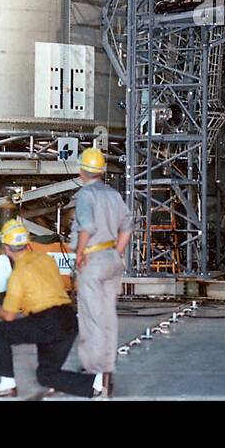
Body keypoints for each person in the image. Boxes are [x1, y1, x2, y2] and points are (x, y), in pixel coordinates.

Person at [0, 219, 98, 400]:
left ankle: (7, 386)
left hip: (47, 321)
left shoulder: (18, 275)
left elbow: (9, 316)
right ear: (27, 243)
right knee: (46, 375)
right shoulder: (46, 259)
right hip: (69, 320)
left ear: (6, 248)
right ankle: (97, 383)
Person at [71, 146, 132, 398]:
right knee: (107, 318)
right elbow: (127, 225)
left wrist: (79, 254)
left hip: (93, 260)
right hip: (111, 259)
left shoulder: (85, 195)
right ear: (103, 171)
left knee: (91, 319)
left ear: (81, 171)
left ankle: (96, 379)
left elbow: (87, 226)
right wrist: (116, 251)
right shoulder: (113, 195)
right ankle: (105, 373)